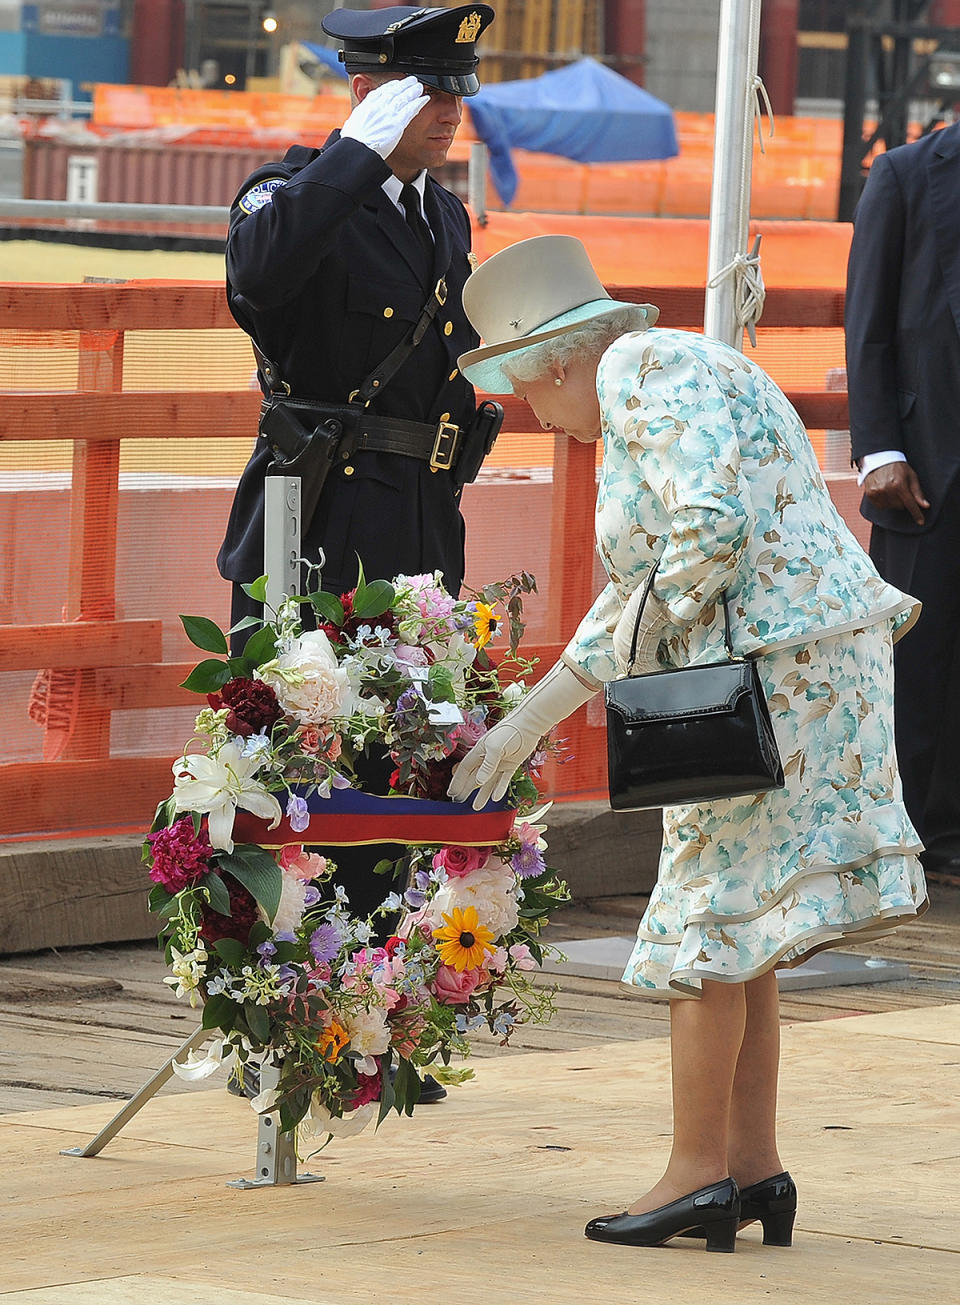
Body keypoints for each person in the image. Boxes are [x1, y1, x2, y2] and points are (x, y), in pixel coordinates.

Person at [448, 235, 927, 1249]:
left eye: (525, 384)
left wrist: (620, 648)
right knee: (739, 924)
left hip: (773, 665)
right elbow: (649, 586)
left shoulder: (638, 369)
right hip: (799, 659)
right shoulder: (680, 370)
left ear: (563, 356)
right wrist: (532, 720)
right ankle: (753, 1170)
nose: (533, 410)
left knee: (703, 918)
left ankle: (696, 1173)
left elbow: (705, 532)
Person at [217, 4, 496, 1104]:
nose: (448, 113)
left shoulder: (446, 216)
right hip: (316, 530)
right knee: (293, 779)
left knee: (399, 786)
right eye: (428, 92)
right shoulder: (293, 193)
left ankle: (368, 1028)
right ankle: (270, 1026)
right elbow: (259, 283)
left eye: (456, 91)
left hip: (421, 527)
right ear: (372, 92)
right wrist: (351, 156)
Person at [845, 120, 960, 876]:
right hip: (923, 468)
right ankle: (897, 842)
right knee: (912, 664)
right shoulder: (906, 175)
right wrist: (878, 449)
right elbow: (869, 322)